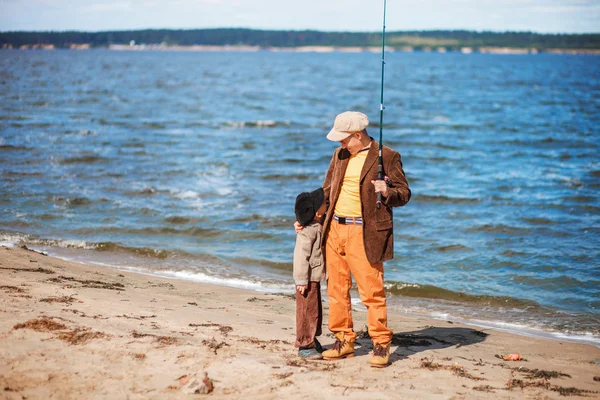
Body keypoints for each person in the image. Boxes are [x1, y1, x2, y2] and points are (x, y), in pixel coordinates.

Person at [297, 111, 410, 368]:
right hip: (334, 229)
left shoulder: (388, 156)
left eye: (344, 140)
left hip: (364, 233)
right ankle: (343, 340)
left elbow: (405, 193)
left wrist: (388, 192)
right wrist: (306, 219)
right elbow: (326, 192)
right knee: (336, 290)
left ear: (357, 135)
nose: (340, 144)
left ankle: (380, 343)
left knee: (372, 292)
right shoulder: (339, 155)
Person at [293, 187, 327, 359]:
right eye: (322, 204)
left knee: (314, 310)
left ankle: (312, 339)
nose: (325, 203)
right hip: (306, 280)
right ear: (315, 212)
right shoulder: (308, 231)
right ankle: (304, 344)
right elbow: (300, 256)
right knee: (306, 311)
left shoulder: (317, 224)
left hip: (314, 278)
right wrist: (300, 280)